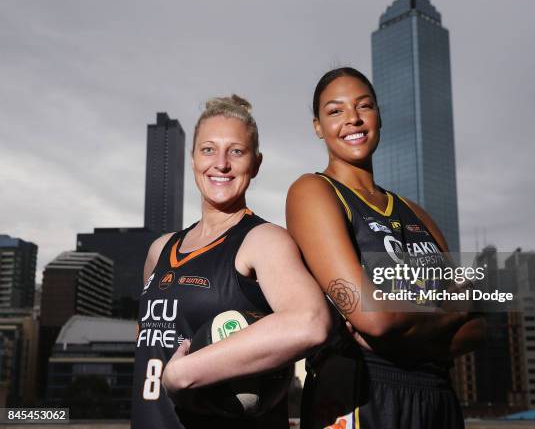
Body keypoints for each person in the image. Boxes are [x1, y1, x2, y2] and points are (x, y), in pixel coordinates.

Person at [286, 67, 486, 429]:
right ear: (317, 126)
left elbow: (478, 326)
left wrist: (404, 338)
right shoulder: (313, 192)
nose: (353, 119)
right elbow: (372, 316)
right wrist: (449, 313)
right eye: (335, 110)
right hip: (361, 393)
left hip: (437, 396)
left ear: (379, 115)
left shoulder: (416, 213)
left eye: (364, 106)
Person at [131, 95, 331, 429]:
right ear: (193, 157)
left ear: (256, 162)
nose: (221, 163)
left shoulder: (263, 240)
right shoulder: (160, 250)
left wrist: (187, 373)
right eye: (208, 149)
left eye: (236, 151)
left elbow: (311, 321)